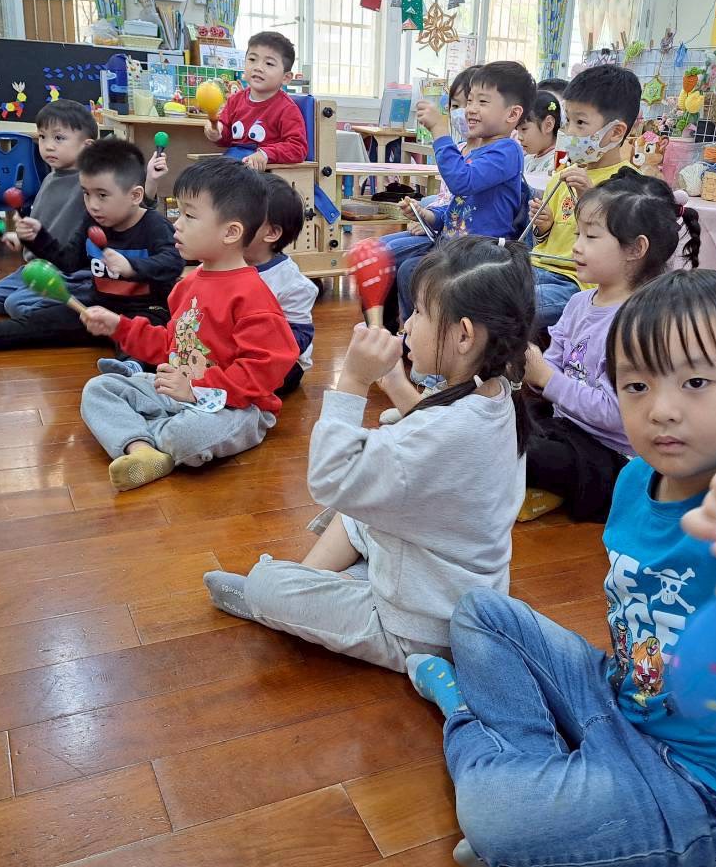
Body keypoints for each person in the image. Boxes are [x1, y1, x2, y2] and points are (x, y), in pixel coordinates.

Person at [405, 270, 716, 867]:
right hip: (619, 698)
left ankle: (468, 717)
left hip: (704, 795)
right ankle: (546, 777)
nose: (661, 409)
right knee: (479, 611)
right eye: (636, 385)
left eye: (696, 382)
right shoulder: (632, 480)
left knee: (494, 822)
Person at [204, 237, 533, 672]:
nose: (406, 325)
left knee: (268, 584)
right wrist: (395, 384)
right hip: (447, 579)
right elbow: (432, 438)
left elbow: (331, 478)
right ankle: (317, 581)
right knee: (360, 510)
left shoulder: (445, 430)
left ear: (464, 335)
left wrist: (353, 380)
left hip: (417, 627)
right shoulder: (496, 392)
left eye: (419, 312)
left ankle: (281, 596)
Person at [79, 158, 298, 491]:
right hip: (178, 390)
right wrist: (119, 327)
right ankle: (144, 450)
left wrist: (196, 390)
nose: (176, 225)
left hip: (234, 406)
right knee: (99, 389)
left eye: (189, 216)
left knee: (190, 435)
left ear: (231, 232)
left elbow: (265, 368)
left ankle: (144, 439)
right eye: (178, 212)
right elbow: (170, 345)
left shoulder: (253, 295)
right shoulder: (187, 284)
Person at [520, 168, 701, 523]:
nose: (576, 246)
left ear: (636, 248)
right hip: (566, 427)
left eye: (591, 236)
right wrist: (531, 369)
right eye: (577, 234)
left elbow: (619, 415)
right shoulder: (579, 303)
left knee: (523, 448)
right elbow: (553, 364)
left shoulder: (643, 322)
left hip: (613, 455)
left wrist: (547, 379)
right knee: (498, 418)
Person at [0, 139, 182, 355]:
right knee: (31, 324)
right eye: (86, 194)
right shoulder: (92, 221)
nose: (92, 204)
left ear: (135, 195)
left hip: (148, 312)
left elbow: (173, 263)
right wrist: (37, 237)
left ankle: (130, 369)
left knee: (146, 339)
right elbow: (68, 261)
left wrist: (132, 267)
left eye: (102, 195)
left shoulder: (154, 226)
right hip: (96, 310)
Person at [390, 61, 533, 322]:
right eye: (469, 101)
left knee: (413, 271)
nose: (470, 109)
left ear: (512, 114)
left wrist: (439, 131)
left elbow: (461, 182)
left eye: (483, 101)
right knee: (404, 267)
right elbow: (460, 206)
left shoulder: (506, 152)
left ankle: (428, 332)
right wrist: (429, 215)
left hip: (484, 255)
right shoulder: (477, 151)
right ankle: (408, 331)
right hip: (455, 248)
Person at [529, 65, 642, 331]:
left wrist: (590, 199)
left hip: (578, 283)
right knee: (481, 285)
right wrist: (543, 227)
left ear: (615, 132)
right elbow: (544, 240)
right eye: (568, 121)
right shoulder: (562, 175)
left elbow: (621, 250)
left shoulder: (627, 183)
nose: (569, 131)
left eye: (580, 123)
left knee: (509, 305)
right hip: (537, 267)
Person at [379, 65, 482, 329]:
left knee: (388, 257)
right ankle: (390, 328)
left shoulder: (495, 153)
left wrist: (439, 131)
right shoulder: (458, 147)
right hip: (440, 228)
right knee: (376, 251)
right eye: (456, 106)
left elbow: (461, 188)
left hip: (456, 240)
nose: (464, 113)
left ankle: (411, 329)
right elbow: (448, 201)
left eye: (473, 103)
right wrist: (423, 213)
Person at [0, 99, 99, 319]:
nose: (48, 146)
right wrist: (21, 237)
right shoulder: (49, 179)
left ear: (87, 146)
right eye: (42, 137)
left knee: (15, 305)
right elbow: (42, 223)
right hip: (39, 265)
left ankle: (75, 305)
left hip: (71, 273)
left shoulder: (90, 182)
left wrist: (150, 184)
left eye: (59, 138)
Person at [247, 173, 318, 394]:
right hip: (236, 350)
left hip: (284, 361)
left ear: (271, 233)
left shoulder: (292, 284)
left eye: (239, 217)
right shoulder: (222, 261)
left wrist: (256, 340)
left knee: (261, 378)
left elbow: (300, 336)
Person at [202, 31, 307, 171]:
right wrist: (217, 132)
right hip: (232, 166)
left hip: (264, 174)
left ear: (286, 78)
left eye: (269, 63)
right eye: (252, 59)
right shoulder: (235, 100)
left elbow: (297, 148)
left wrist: (265, 154)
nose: (258, 67)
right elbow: (226, 137)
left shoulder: (287, 109)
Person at [517, 90, 561, 180]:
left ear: (548, 125)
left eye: (524, 129)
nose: (519, 137)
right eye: (517, 130)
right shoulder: (527, 159)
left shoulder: (560, 161)